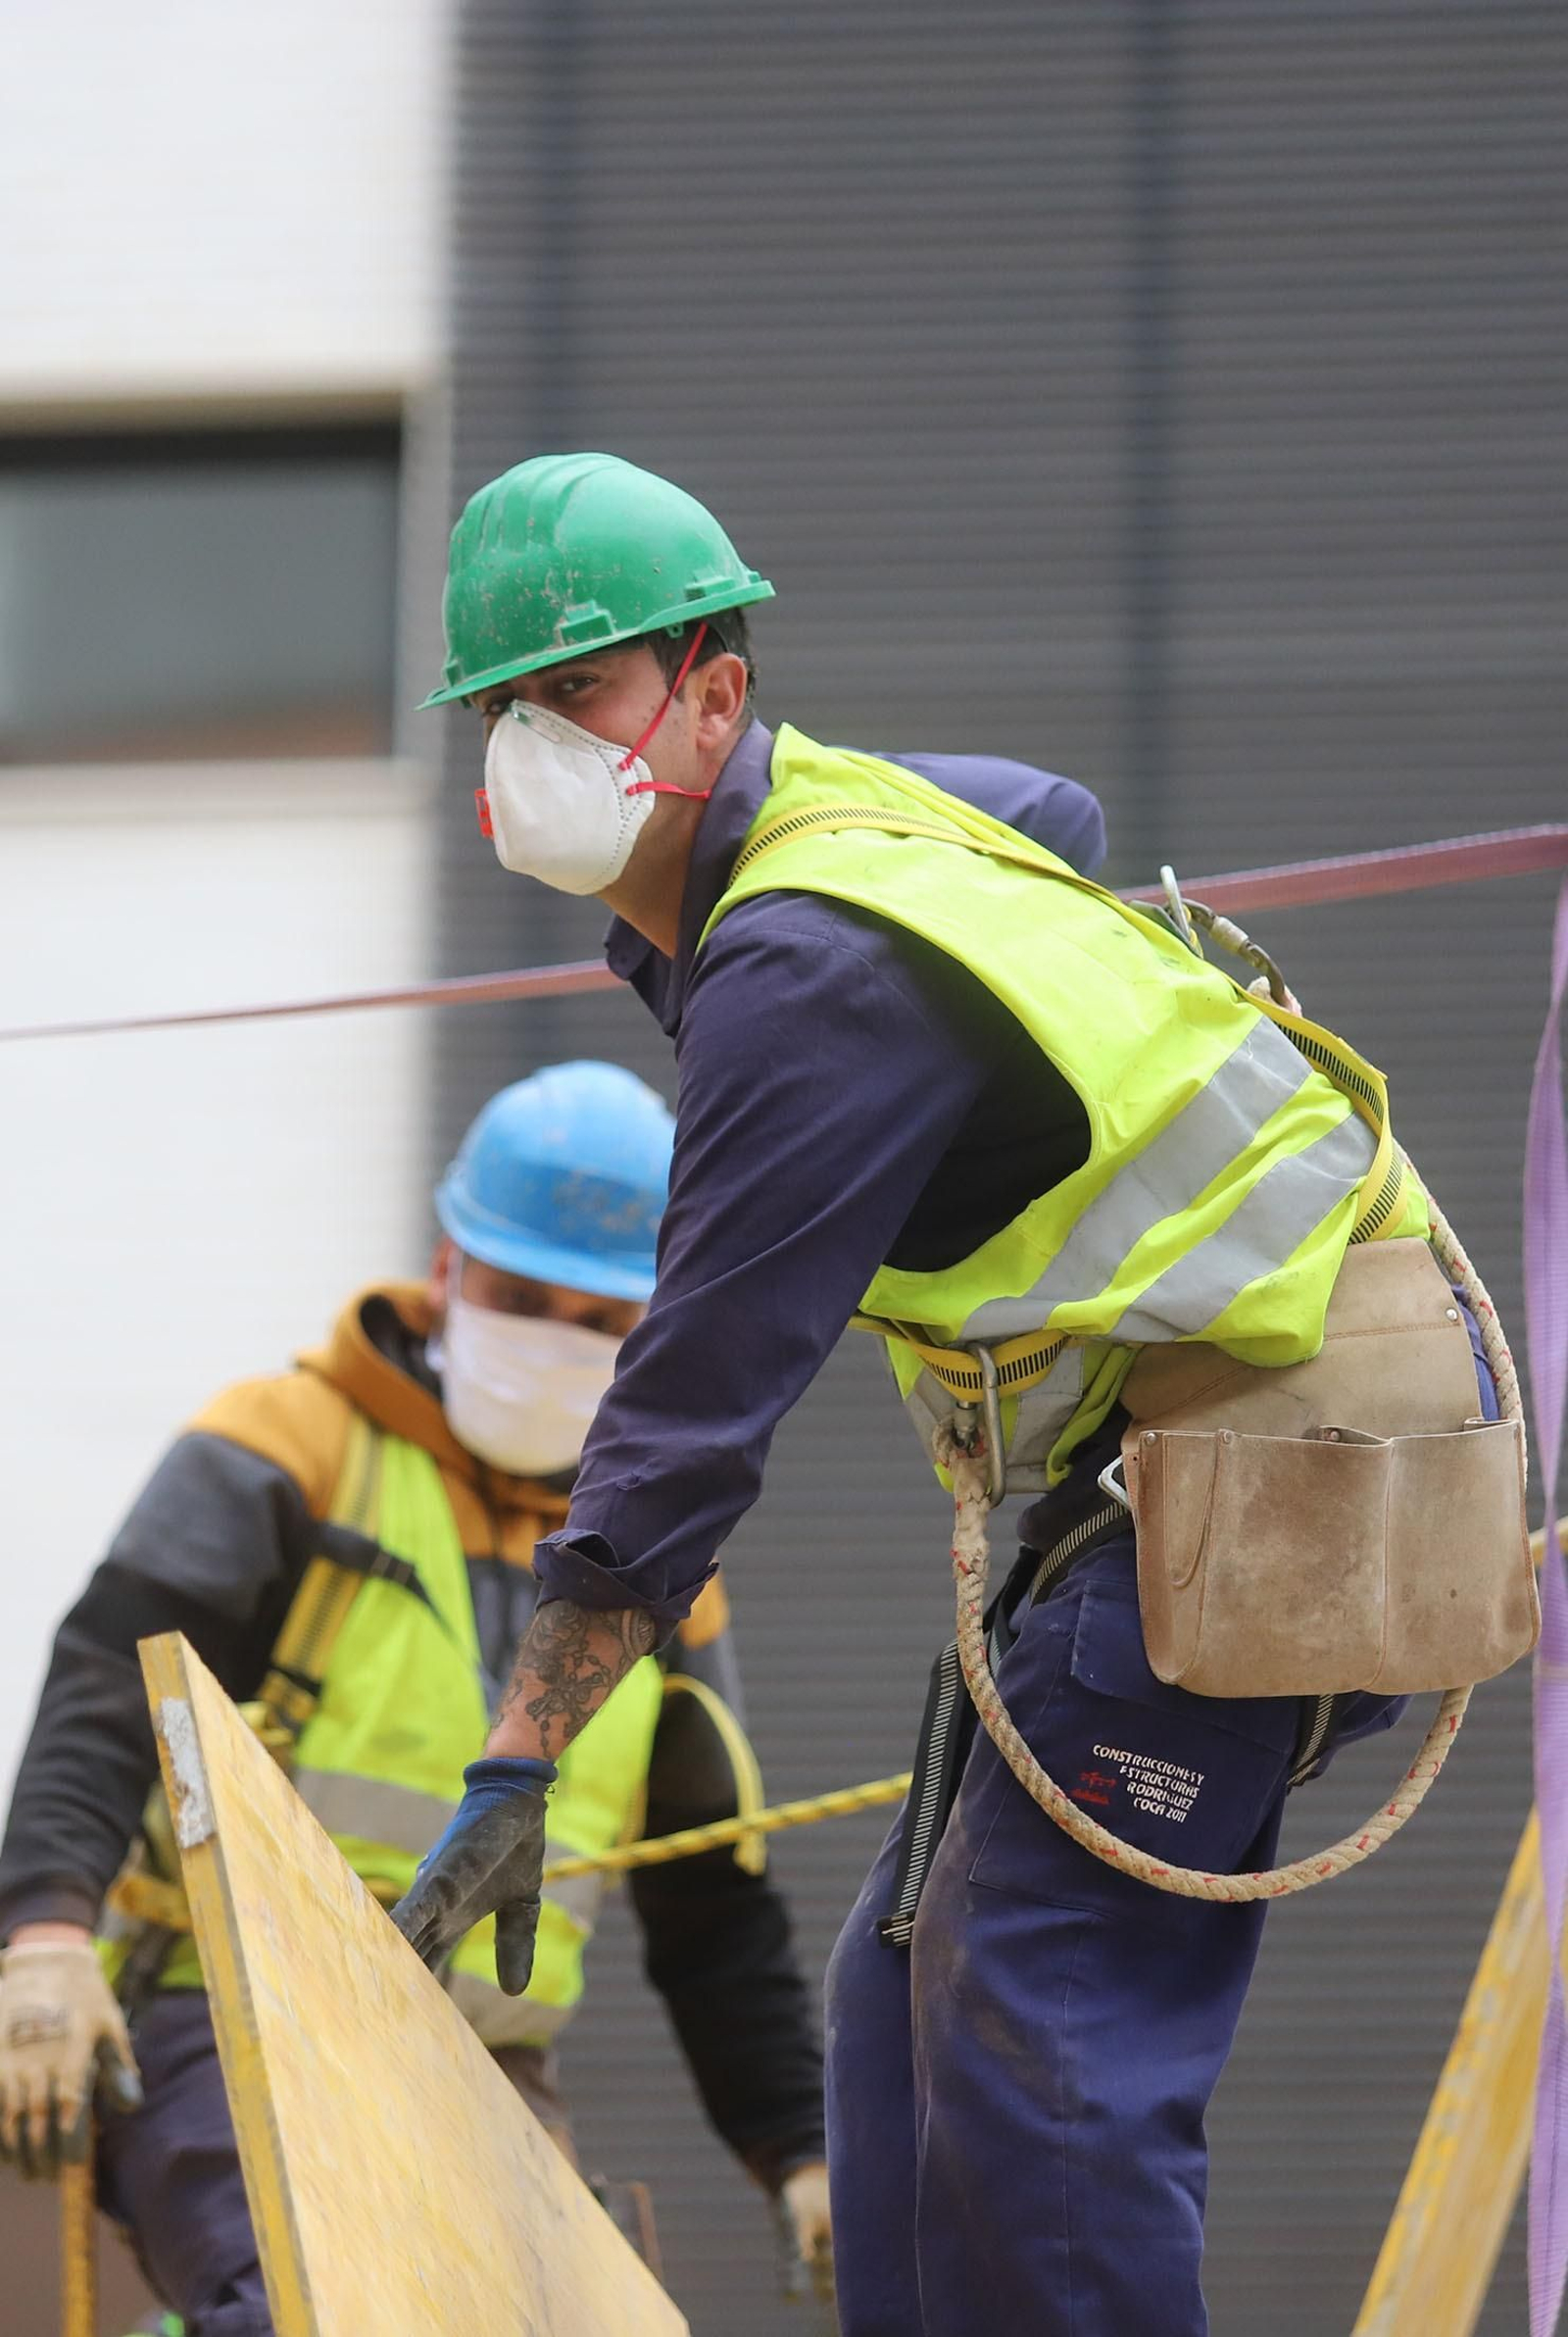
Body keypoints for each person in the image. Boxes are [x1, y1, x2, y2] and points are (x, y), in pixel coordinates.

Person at [387, 452, 1509, 2337]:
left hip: (1298, 1456)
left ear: (714, 691)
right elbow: (1044, 806)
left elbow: (691, 1409)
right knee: (901, 2003)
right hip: (1189, 1468)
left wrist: (520, 1762)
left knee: (1037, 2011)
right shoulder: (847, 838)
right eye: (498, 707)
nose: (529, 742)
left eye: (574, 690)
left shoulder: (807, 963)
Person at [0, 1060, 830, 2336]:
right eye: (521, 1297)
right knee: (317, 2309)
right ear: (447, 1273)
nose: (560, 1342)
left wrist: (801, 2152)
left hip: (485, 2072)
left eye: (604, 1320)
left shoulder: (660, 1579)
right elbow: (105, 1689)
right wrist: (46, 1936)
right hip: (229, 2027)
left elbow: (711, 1900)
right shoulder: (291, 1445)